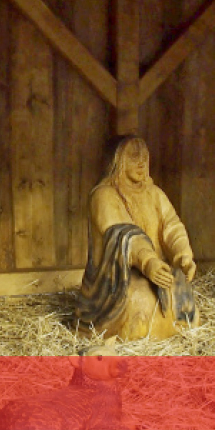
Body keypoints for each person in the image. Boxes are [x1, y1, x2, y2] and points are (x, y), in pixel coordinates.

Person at [75, 136, 198, 340]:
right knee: (141, 301)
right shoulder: (103, 196)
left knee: (181, 292)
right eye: (133, 157)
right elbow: (123, 233)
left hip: (157, 268)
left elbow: (172, 225)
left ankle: (176, 334)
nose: (141, 163)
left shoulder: (155, 193)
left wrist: (183, 255)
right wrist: (148, 262)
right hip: (119, 276)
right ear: (117, 161)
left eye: (144, 157)